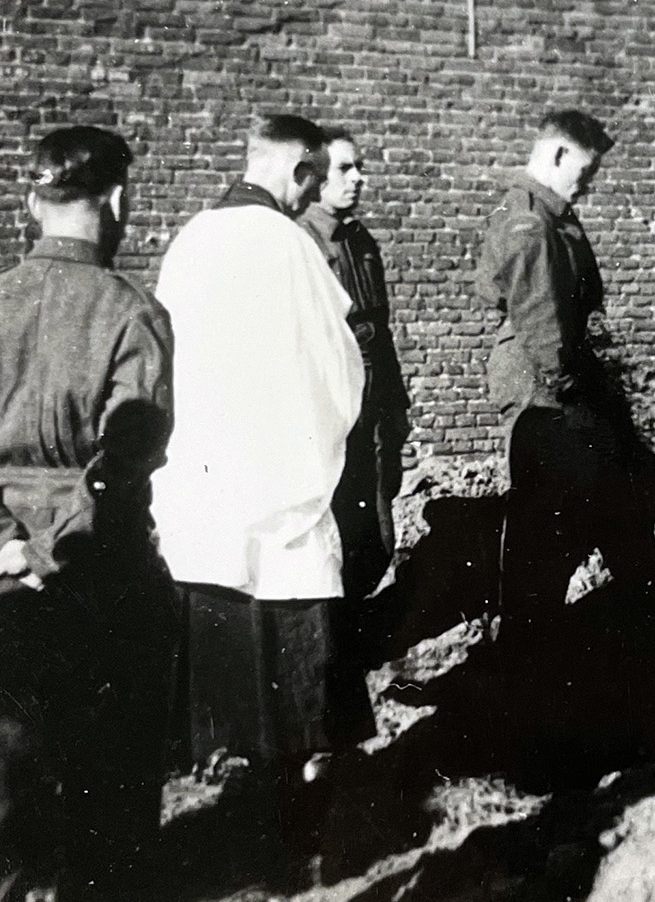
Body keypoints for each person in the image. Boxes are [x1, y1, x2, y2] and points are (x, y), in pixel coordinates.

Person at [0, 127, 175, 902]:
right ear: (118, 200)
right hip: (103, 586)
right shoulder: (133, 313)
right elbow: (123, 458)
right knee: (114, 812)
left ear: (34, 204)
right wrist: (54, 548)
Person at [151, 114, 369, 887]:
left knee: (217, 696)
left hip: (203, 512)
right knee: (294, 705)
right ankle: (293, 847)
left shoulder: (187, 242)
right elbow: (338, 369)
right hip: (282, 513)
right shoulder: (290, 247)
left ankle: (216, 840)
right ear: (302, 172)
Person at [474, 110, 635, 622]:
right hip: (539, 381)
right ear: (557, 154)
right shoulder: (527, 219)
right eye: (582, 173)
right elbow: (542, 323)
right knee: (544, 522)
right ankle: (526, 649)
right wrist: (575, 394)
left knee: (585, 505)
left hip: (553, 371)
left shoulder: (547, 212)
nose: (584, 186)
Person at [299, 129, 411, 664]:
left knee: (376, 535)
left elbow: (380, 334)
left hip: (372, 409)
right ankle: (334, 653)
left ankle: (354, 638)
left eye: (359, 167)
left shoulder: (361, 242)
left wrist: (397, 407)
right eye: (345, 169)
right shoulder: (300, 242)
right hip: (332, 411)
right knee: (336, 531)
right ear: (316, 178)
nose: (358, 178)